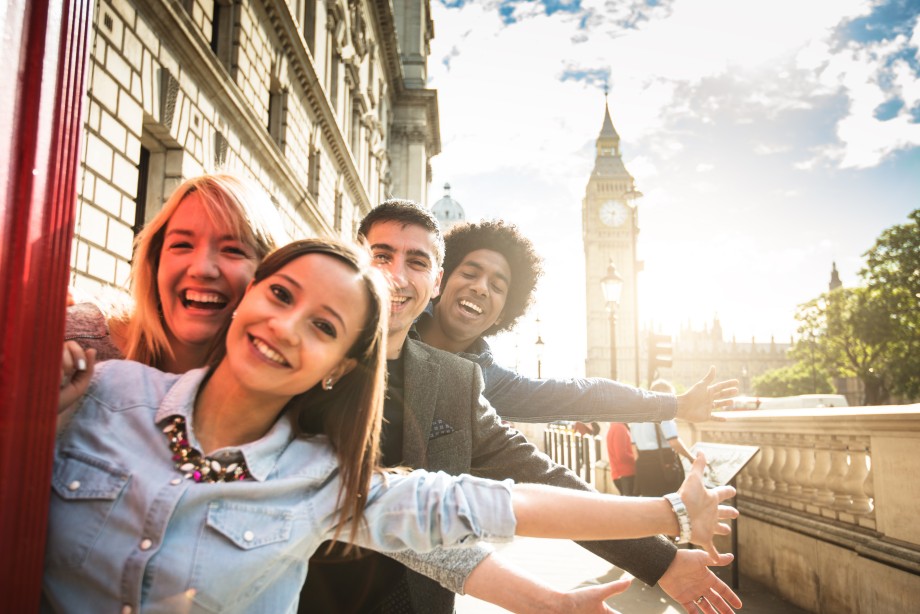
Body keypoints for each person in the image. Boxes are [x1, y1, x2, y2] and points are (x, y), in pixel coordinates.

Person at [52, 238, 737, 613]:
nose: (286, 326)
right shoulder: (101, 392)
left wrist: (671, 511)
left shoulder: (323, 475)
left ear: (341, 366)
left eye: (323, 325)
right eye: (280, 295)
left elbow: (486, 503)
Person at [300, 203, 742, 614]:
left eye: (416, 262)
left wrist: (662, 556)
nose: (397, 276)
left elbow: (545, 465)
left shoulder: (465, 380)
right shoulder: (304, 346)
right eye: (381, 256)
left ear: (432, 279)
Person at [65, 173, 283, 372]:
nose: (202, 269)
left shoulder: (282, 388)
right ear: (155, 260)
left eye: (232, 250)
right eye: (182, 245)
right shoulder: (73, 340)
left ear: (267, 272)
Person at [631, 380, 697, 497]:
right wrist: (692, 458)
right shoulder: (663, 412)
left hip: (643, 466)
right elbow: (673, 442)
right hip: (661, 467)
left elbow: (634, 448)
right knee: (670, 504)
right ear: (666, 396)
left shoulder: (637, 417)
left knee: (650, 505)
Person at [607, 422, 637, 496]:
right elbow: (621, 455)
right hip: (626, 474)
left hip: (620, 474)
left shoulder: (614, 426)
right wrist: (636, 459)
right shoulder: (619, 428)